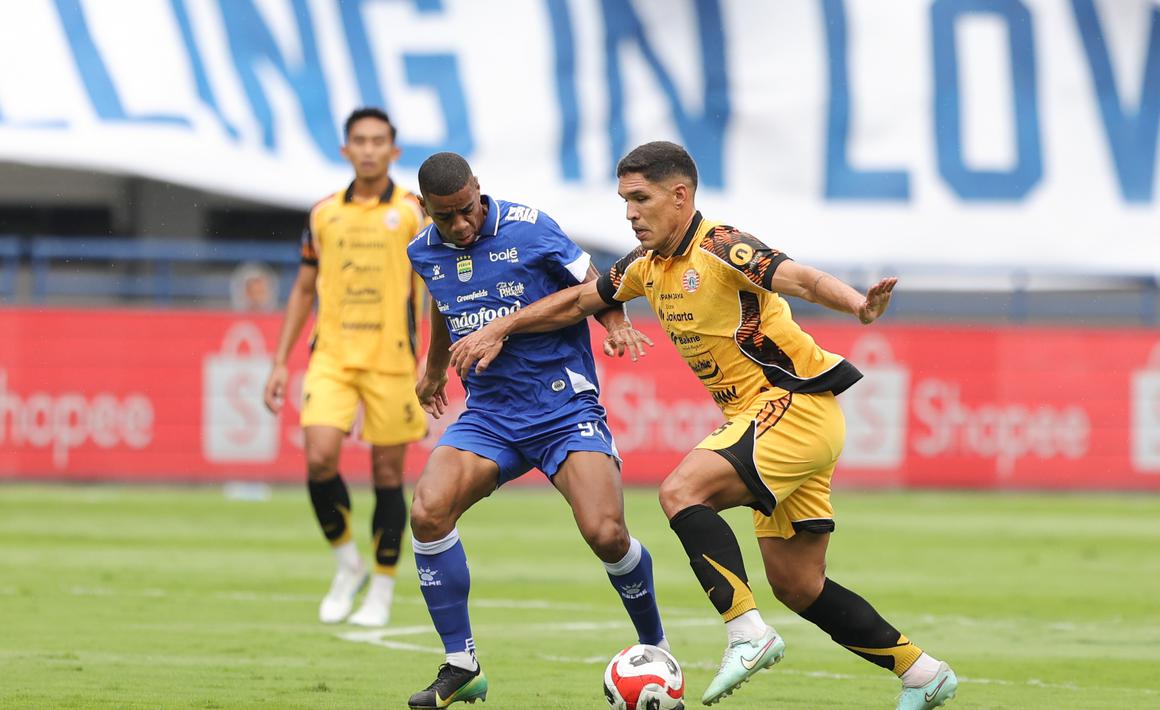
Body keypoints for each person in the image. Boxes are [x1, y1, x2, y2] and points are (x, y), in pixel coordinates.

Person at [448, 141, 958, 710]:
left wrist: (858, 305)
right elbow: (577, 302)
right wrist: (502, 327)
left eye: (640, 199)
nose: (630, 214)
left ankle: (746, 632)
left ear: (679, 195)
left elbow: (802, 280)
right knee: (798, 585)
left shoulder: (721, 247)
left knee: (681, 491)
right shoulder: (644, 266)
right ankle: (922, 673)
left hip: (793, 405)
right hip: (777, 421)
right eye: (624, 201)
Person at [404, 152, 668, 709]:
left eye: (467, 209)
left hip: (562, 407)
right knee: (427, 511)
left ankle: (657, 649)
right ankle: (462, 665)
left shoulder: (530, 227)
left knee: (606, 533)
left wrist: (616, 323)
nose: (460, 225)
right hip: (490, 415)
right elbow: (441, 303)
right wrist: (433, 369)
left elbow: (593, 284)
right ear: (425, 208)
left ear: (478, 188)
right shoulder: (422, 251)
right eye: (445, 216)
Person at [263, 107, 430, 629]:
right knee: (318, 459)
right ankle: (347, 563)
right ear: (345, 149)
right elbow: (303, 288)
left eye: (379, 141)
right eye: (360, 140)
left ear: (393, 151)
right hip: (331, 356)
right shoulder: (323, 214)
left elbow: (438, 283)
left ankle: (382, 585)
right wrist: (279, 361)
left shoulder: (413, 211)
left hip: (392, 360)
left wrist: (436, 358)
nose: (369, 149)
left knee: (387, 475)